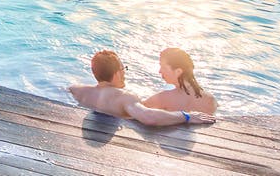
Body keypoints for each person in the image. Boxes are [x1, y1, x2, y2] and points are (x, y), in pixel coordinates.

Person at [68, 50, 215, 126]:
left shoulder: (78, 90)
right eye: (124, 69)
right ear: (118, 73)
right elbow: (148, 117)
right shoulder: (124, 97)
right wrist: (187, 116)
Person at [144, 48, 217, 114]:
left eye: (163, 67)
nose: (160, 71)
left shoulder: (165, 98)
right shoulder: (210, 99)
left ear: (178, 72)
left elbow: (136, 111)